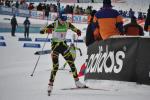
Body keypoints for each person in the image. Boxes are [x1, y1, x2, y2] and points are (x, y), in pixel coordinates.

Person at [40, 14, 86, 94]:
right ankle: (50, 85)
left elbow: (74, 28)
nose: (63, 21)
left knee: (71, 63)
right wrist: (47, 30)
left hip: (63, 46)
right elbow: (41, 31)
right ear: (59, 19)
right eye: (62, 20)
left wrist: (78, 31)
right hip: (55, 47)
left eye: (65, 20)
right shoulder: (55, 24)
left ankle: (77, 82)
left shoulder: (67, 24)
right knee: (55, 66)